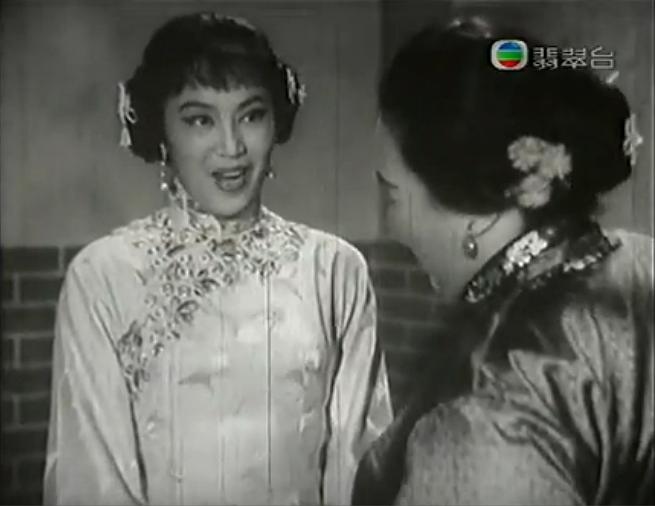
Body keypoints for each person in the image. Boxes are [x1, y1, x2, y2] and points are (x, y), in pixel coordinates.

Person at [43, 12, 392, 506]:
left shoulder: (334, 271)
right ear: (161, 131)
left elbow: (358, 469)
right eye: (200, 120)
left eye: (251, 115)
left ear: (276, 121)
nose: (231, 147)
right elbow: (91, 479)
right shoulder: (104, 277)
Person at [352, 17, 653, 506]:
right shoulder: (641, 260)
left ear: (480, 216)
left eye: (392, 194)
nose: (392, 226)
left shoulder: (484, 412)